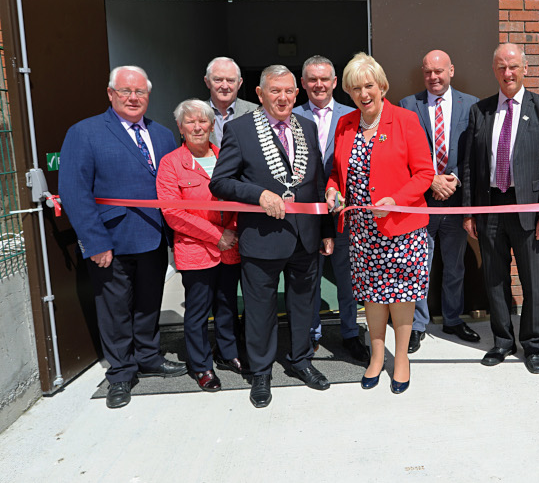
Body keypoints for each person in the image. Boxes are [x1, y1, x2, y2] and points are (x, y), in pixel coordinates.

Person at [209, 65, 335, 408]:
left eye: (289, 91)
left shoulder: (307, 127)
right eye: (275, 91)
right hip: (262, 237)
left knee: (302, 304)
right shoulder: (239, 130)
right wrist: (257, 194)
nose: (283, 97)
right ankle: (261, 371)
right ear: (260, 93)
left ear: (298, 94)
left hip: (305, 237)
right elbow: (219, 182)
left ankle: (299, 360)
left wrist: (326, 231)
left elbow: (318, 183)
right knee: (260, 308)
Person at [59, 66, 184, 409]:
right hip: (112, 241)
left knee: (148, 303)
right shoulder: (84, 133)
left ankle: (149, 357)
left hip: (154, 237)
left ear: (148, 96)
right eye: (126, 91)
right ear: (111, 94)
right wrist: (95, 242)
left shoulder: (161, 135)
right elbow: (74, 192)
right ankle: (121, 372)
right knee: (115, 310)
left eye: (140, 92)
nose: (133, 97)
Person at [325, 52, 434, 394]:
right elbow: (335, 173)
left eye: (368, 85)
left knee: (401, 297)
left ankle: (400, 358)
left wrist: (396, 201)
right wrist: (332, 191)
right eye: (355, 88)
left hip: (401, 228)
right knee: (372, 298)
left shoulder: (404, 121)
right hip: (361, 231)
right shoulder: (345, 125)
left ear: (382, 86)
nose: (363, 93)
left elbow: (425, 173)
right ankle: (376, 357)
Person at [461, 43, 539, 374]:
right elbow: (470, 167)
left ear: (525, 68)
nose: (508, 73)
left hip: (530, 209)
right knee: (494, 279)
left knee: (533, 282)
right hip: (490, 206)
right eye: (502, 67)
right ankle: (503, 341)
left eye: (514, 66)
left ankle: (533, 345)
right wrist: (469, 211)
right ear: (494, 70)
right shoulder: (481, 110)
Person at [156, 99, 242, 392]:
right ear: (180, 128)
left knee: (228, 305)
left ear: (212, 124)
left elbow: (238, 201)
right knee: (197, 311)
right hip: (196, 249)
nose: (197, 127)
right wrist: (216, 235)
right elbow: (172, 212)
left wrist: (230, 231)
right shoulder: (170, 164)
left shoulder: (225, 156)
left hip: (230, 246)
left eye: (202, 121)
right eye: (190, 122)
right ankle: (201, 364)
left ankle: (228, 352)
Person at [399, 49, 481, 354]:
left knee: (455, 265)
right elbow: (402, 152)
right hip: (421, 201)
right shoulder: (409, 105)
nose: (434, 77)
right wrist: (431, 179)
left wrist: (454, 179)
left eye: (439, 71)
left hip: (457, 199)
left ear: (451, 71)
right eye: (428, 72)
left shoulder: (471, 105)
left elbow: (475, 151)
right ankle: (418, 325)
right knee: (421, 265)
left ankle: (451, 319)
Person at [293, 55, 369, 363]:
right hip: (305, 214)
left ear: (335, 82)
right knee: (309, 277)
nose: (319, 84)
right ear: (303, 84)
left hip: (344, 214)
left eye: (325, 79)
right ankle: (311, 334)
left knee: (347, 276)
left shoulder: (353, 115)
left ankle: (351, 333)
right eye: (312, 79)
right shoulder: (292, 116)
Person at [204, 56, 258, 147]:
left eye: (230, 80)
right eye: (218, 80)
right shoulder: (196, 112)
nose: (225, 86)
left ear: (239, 83)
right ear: (207, 82)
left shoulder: (256, 112)